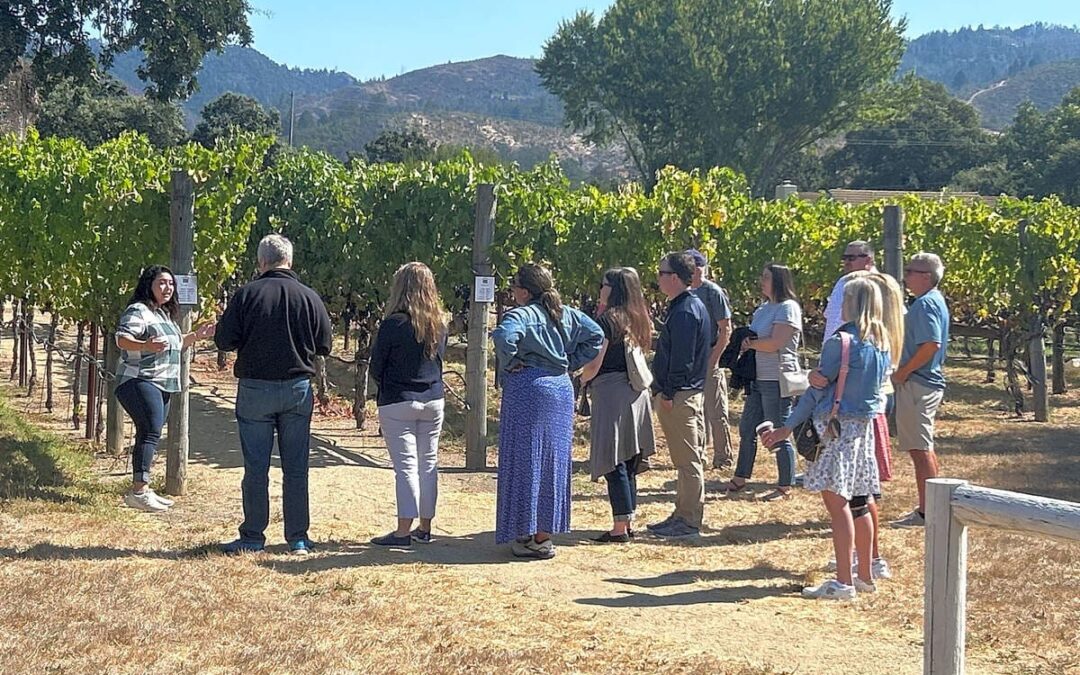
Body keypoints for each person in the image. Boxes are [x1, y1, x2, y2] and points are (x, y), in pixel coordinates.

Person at [764, 278, 891, 600]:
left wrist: (786, 427)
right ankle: (865, 574)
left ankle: (843, 582)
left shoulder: (841, 342)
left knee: (838, 505)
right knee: (861, 502)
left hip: (835, 429)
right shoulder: (882, 342)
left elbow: (815, 391)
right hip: (862, 430)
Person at [215, 234, 333, 555]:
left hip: (255, 389)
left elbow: (224, 341)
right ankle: (297, 537)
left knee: (256, 467)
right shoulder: (309, 297)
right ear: (290, 261)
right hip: (297, 389)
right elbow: (325, 344)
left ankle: (253, 536)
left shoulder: (246, 295)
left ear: (261, 261)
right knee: (296, 467)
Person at [491, 264, 603, 559]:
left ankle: (524, 533)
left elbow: (503, 337)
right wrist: (569, 361)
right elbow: (596, 335)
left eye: (514, 286)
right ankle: (543, 537)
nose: (512, 291)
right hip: (560, 389)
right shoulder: (566, 313)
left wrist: (511, 361)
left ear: (525, 291)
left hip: (528, 388)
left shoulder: (522, 314)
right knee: (553, 460)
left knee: (525, 459)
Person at [114, 265, 215, 512]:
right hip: (139, 379)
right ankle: (139, 490)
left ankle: (143, 489)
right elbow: (121, 339)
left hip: (163, 382)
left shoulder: (164, 315)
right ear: (148, 284)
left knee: (151, 431)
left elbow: (176, 343)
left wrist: (197, 336)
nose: (167, 288)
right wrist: (144, 346)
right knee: (149, 430)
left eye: (170, 284)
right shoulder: (138, 311)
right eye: (161, 283)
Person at [368, 262, 448, 547]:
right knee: (428, 464)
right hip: (433, 399)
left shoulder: (392, 324)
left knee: (406, 467)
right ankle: (425, 528)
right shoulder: (439, 324)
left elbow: (377, 366)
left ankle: (403, 530)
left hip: (398, 401)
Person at [580, 267, 656, 543]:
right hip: (637, 394)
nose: (600, 289)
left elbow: (594, 363)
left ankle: (619, 527)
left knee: (613, 459)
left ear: (614, 289)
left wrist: (579, 379)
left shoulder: (608, 320)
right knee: (629, 457)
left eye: (604, 285)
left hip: (612, 393)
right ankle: (628, 520)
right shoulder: (638, 317)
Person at [726, 263, 802, 501]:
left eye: (767, 277)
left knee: (778, 430)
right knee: (748, 428)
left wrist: (750, 343)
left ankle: (785, 485)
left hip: (777, 378)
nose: (762, 280)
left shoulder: (788, 308)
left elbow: (775, 343)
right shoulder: (763, 309)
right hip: (757, 377)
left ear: (779, 280)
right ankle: (740, 477)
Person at [647, 252, 711, 539]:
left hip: (681, 395)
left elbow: (682, 360)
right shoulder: (687, 306)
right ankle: (682, 513)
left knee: (687, 462)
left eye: (661, 273)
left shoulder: (686, 311)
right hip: (685, 393)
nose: (658, 278)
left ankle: (688, 520)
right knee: (686, 460)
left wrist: (669, 392)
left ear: (674, 278)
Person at [891, 253, 950, 529]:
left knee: (920, 448)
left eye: (911, 272)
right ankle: (932, 507)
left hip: (919, 383)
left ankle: (928, 513)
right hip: (923, 382)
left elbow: (931, 345)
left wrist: (904, 372)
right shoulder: (930, 301)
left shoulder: (925, 304)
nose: (906, 277)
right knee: (921, 447)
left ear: (926, 276)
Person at [686, 249, 735, 470]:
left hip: (709, 357)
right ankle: (699, 453)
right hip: (691, 359)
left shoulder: (712, 292)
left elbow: (726, 329)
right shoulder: (686, 292)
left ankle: (723, 457)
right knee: (695, 410)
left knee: (716, 411)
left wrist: (714, 359)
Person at [824, 241, 877, 339]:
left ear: (868, 260)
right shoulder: (842, 282)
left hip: (860, 349)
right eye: (845, 258)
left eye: (852, 258)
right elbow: (831, 319)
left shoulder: (878, 284)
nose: (847, 262)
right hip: (834, 347)